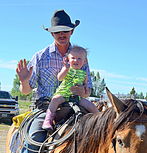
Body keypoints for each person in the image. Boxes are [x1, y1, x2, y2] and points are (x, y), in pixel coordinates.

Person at [16, 10, 94, 153]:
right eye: (57, 32)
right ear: (52, 34)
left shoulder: (81, 56)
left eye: (65, 30)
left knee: (96, 139)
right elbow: (26, 91)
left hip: (75, 105)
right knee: (33, 143)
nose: (61, 34)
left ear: (72, 32)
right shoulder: (40, 57)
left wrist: (83, 91)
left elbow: (87, 89)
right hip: (46, 107)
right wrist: (24, 82)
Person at [42, 45, 99, 130]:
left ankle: (99, 120)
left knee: (91, 105)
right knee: (54, 101)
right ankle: (48, 120)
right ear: (68, 59)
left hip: (77, 97)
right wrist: (65, 68)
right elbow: (59, 78)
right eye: (73, 58)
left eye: (79, 58)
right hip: (63, 94)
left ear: (85, 61)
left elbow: (85, 85)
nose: (76, 60)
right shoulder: (67, 69)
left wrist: (85, 89)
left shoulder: (84, 74)